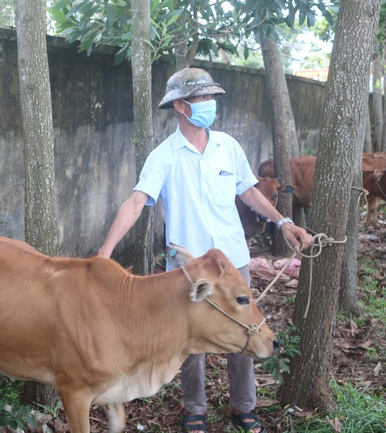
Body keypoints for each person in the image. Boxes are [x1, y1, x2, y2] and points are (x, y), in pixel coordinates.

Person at [96, 68, 313, 433]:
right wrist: (104, 254)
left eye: (211, 98)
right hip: (189, 268)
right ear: (180, 106)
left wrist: (283, 222)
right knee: (190, 345)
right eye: (201, 99)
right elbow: (136, 202)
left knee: (244, 331)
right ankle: (194, 410)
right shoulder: (164, 156)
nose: (209, 104)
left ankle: (245, 407)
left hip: (233, 262)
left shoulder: (227, 146)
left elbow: (248, 191)